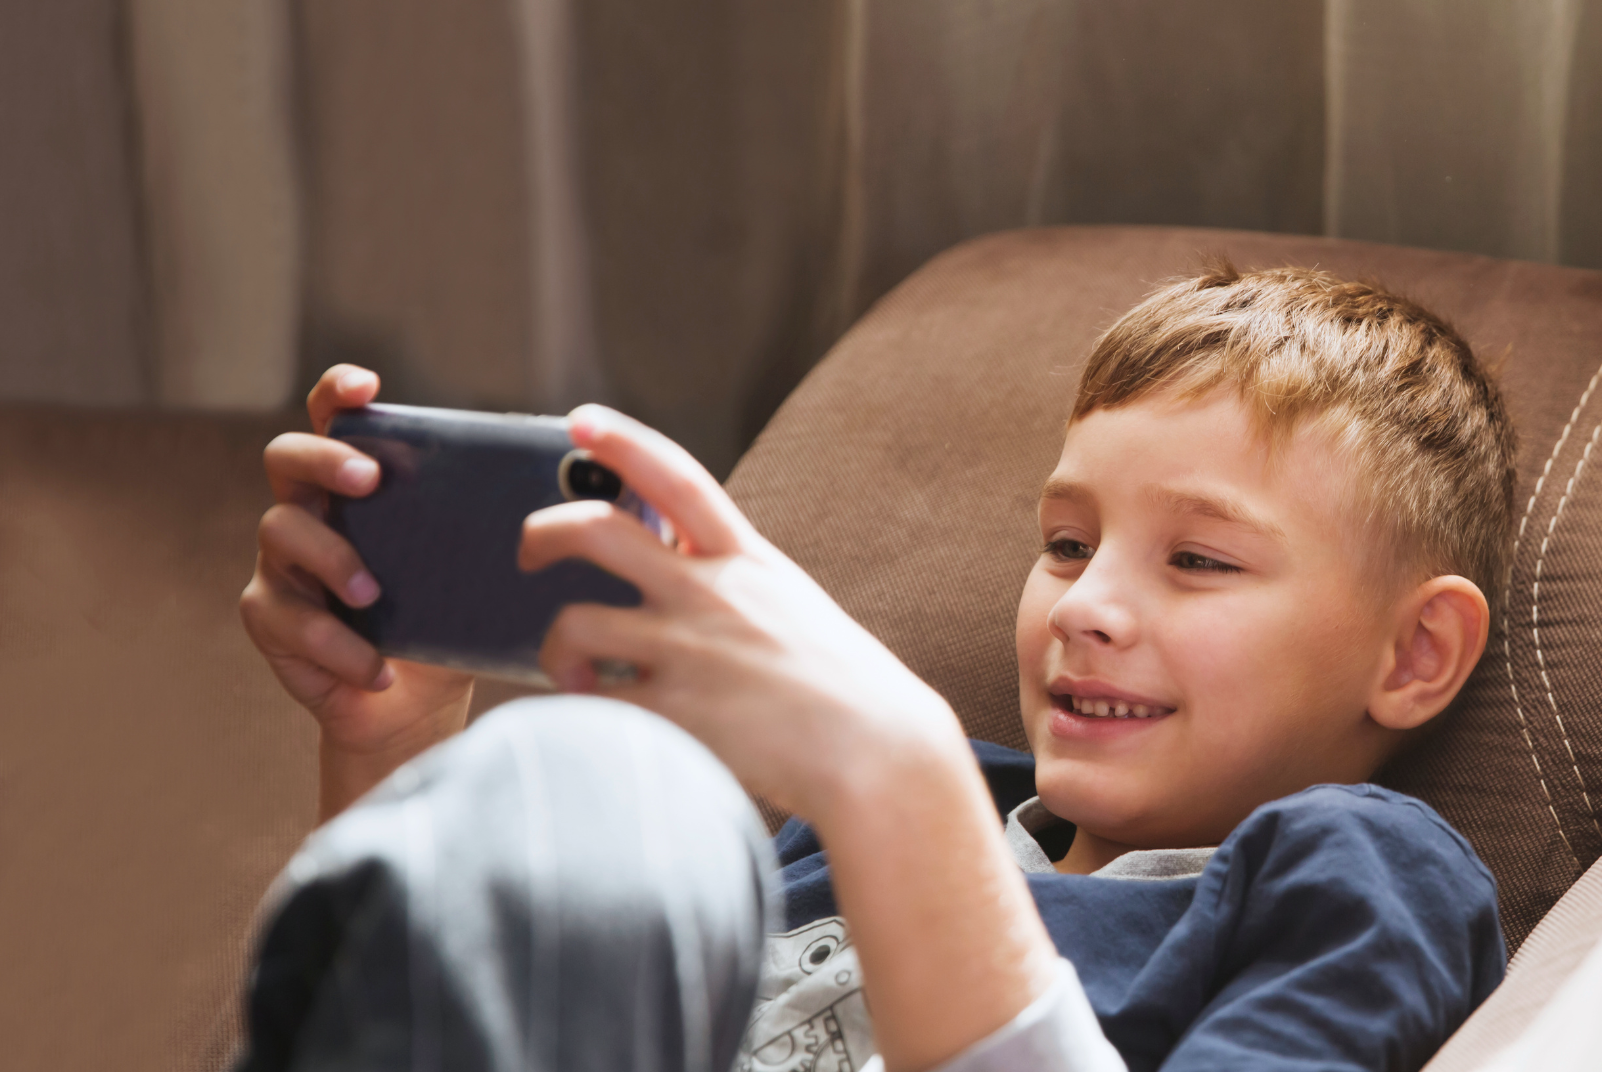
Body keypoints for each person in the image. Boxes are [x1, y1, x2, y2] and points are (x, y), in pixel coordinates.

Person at [236, 263, 1510, 1072]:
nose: (1089, 605)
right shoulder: (885, 808)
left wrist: (892, 774)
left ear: (1414, 652)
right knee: (586, 787)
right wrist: (390, 743)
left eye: (1203, 562)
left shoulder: (1361, 868)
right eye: (1067, 544)